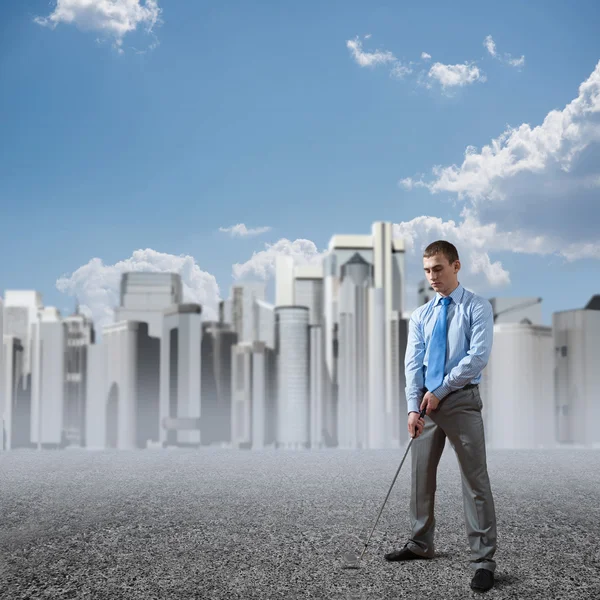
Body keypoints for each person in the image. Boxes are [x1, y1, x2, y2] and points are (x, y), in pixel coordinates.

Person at [384, 240, 498, 593]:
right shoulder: (421, 315)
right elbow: (412, 364)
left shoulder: (476, 307)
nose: (432, 276)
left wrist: (441, 390)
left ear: (456, 266)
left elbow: (477, 357)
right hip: (426, 405)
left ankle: (483, 561)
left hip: (461, 401)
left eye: (438, 268)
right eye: (427, 270)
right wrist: (412, 407)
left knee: (474, 481)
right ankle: (420, 545)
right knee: (420, 477)